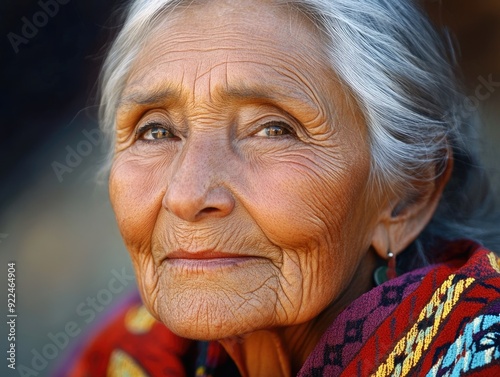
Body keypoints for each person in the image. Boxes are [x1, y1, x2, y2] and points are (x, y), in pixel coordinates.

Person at [61, 0, 500, 376]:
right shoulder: (124, 353)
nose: (186, 195)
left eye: (273, 130)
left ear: (406, 197)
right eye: (155, 131)